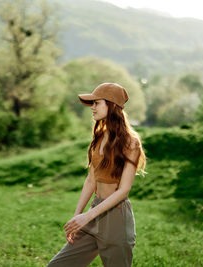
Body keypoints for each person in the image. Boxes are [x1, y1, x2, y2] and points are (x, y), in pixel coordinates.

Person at [48, 83, 147, 267]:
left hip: (116, 219)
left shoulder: (130, 143)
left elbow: (124, 190)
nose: (92, 107)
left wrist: (86, 217)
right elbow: (91, 180)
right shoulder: (99, 138)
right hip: (95, 212)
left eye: (96, 103)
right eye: (91, 103)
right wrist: (77, 217)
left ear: (112, 105)